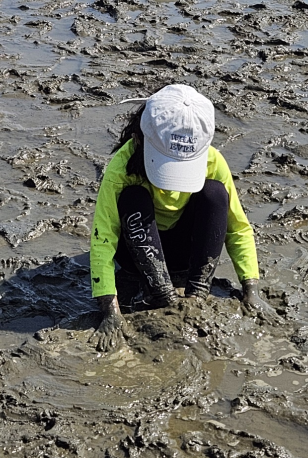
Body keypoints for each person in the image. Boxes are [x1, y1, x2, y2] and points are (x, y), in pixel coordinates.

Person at [89, 83, 268, 351]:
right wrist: (109, 310)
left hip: (187, 252)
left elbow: (237, 227)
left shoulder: (213, 161)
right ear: (141, 138)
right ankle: (160, 292)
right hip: (137, 255)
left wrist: (251, 288)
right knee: (133, 197)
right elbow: (102, 239)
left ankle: (197, 292)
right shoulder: (121, 170)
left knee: (215, 193)